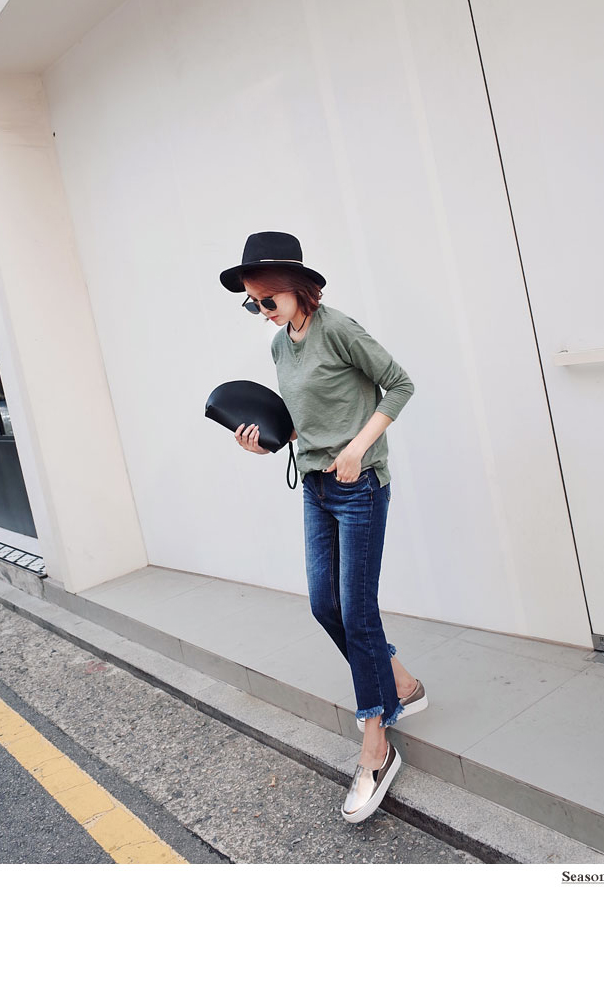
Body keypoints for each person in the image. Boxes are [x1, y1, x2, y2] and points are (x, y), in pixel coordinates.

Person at [220, 230, 426, 824]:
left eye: (267, 299)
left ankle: (377, 745)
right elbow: (301, 418)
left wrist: (359, 447)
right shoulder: (280, 344)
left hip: (359, 485)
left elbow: (400, 384)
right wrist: (263, 443)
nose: (261, 310)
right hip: (315, 485)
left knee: (357, 613)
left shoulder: (338, 329)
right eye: (253, 303)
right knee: (324, 605)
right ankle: (401, 683)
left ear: (296, 287)